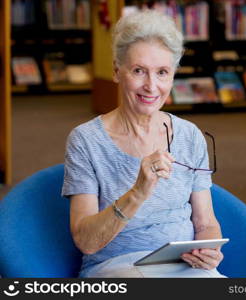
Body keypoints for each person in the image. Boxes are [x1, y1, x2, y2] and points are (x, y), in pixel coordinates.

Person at [62, 10, 225, 278]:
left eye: (162, 72)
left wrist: (210, 250)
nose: (151, 86)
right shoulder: (85, 141)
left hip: (185, 267)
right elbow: (86, 241)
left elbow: (205, 222)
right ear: (117, 71)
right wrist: (138, 191)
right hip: (115, 267)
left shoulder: (190, 135)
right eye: (139, 71)